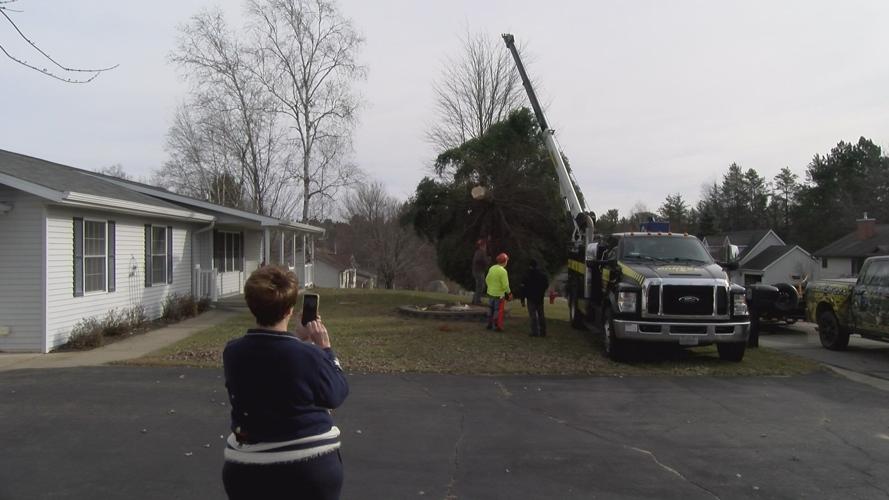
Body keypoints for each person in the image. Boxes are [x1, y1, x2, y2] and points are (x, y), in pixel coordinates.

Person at [222, 266, 348, 500]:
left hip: (245, 469)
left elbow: (272, 359)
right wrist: (326, 349)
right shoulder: (309, 356)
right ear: (290, 310)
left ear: (252, 307)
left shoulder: (232, 352)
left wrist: (298, 338)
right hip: (309, 470)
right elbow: (336, 393)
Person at [519, 259, 550, 337]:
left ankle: (535, 331)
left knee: (533, 315)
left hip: (530, 298)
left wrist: (522, 299)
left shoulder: (526, 275)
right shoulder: (542, 275)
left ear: (529, 266)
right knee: (541, 314)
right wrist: (542, 291)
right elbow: (546, 284)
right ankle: (543, 331)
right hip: (539, 297)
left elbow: (522, 288)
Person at [485, 252, 512, 331]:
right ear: (505, 261)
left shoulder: (492, 268)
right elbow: (505, 285)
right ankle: (497, 325)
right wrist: (509, 293)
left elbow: (487, 279)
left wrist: (490, 287)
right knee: (498, 310)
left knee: (491, 309)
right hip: (499, 294)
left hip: (490, 293)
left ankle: (489, 324)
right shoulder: (503, 271)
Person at [471, 239, 489, 305]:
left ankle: (475, 300)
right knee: (481, 286)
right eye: (484, 246)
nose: (485, 247)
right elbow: (480, 260)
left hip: (477, 271)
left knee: (479, 286)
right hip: (479, 271)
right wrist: (487, 261)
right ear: (482, 246)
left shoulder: (478, 252)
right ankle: (477, 301)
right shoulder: (481, 252)